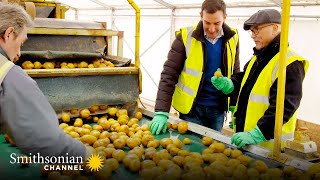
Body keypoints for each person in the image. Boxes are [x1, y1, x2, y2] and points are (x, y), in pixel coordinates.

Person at [0, 3, 88, 158]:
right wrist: (84, 154)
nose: (19, 53)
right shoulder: (6, 72)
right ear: (8, 34)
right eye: (20, 43)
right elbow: (42, 139)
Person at [221, 9, 308, 149]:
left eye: (257, 30)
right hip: (248, 142)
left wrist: (259, 133)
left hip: (269, 148)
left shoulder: (290, 63)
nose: (253, 35)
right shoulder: (259, 57)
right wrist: (231, 84)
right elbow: (246, 81)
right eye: (251, 31)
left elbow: (285, 106)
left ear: (274, 28)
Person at [150, 0, 240, 135]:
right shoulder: (185, 37)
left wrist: (235, 106)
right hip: (191, 110)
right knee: (189, 150)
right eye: (207, 22)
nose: (211, 29)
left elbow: (235, 73)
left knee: (213, 151)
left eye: (217, 23)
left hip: (218, 109)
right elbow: (169, 74)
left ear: (225, 18)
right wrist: (161, 111)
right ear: (201, 16)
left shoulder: (233, 37)